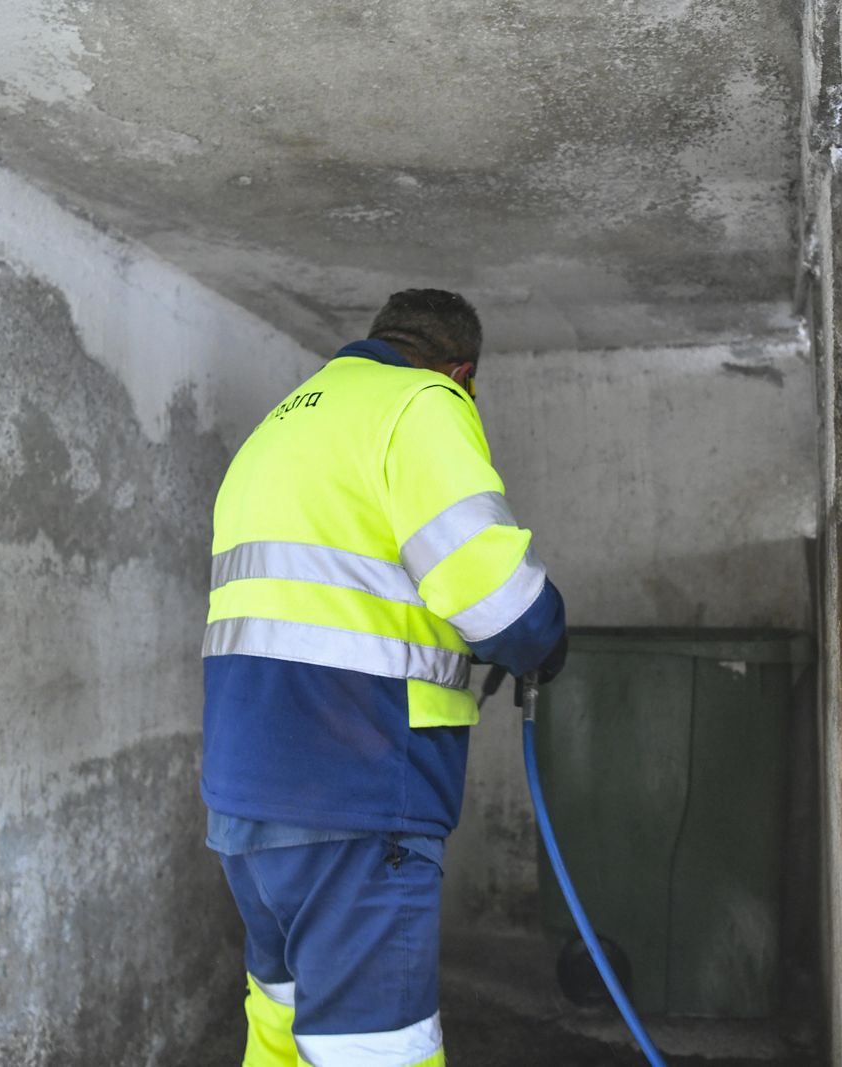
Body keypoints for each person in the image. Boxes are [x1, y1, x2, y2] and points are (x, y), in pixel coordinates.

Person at [201, 289, 568, 1066]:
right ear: (462, 372)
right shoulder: (422, 402)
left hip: (247, 806)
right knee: (377, 1050)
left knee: (281, 1032)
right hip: (356, 796)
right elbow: (497, 597)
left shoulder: (282, 422)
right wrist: (542, 640)